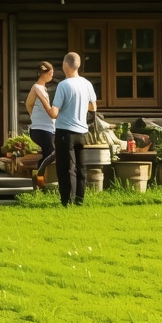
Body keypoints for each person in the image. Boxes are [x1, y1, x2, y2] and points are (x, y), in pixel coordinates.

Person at [48, 52, 98, 207]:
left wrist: (44, 102)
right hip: (82, 132)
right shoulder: (87, 84)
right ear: (78, 65)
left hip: (65, 132)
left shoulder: (64, 85)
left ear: (65, 65)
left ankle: (66, 202)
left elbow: (54, 113)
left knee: (66, 168)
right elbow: (93, 107)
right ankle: (79, 201)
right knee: (81, 168)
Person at [26, 61, 56, 162]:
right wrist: (34, 116)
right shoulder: (36, 87)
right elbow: (28, 104)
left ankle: (40, 175)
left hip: (49, 128)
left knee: (48, 153)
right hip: (41, 128)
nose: (51, 76)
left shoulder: (44, 88)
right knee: (50, 153)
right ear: (44, 73)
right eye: (50, 74)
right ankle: (41, 175)